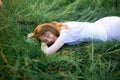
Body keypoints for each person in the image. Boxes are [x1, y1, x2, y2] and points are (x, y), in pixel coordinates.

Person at [27, 16, 120, 55]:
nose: (49, 40)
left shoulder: (65, 35)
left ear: (51, 29)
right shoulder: (63, 25)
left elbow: (48, 52)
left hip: (111, 31)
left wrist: (43, 43)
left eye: (47, 36)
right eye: (46, 40)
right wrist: (36, 36)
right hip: (107, 22)